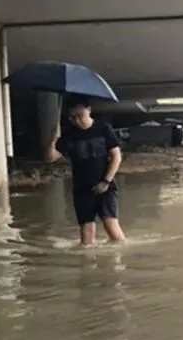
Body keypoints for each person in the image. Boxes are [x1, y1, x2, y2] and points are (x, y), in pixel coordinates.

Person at [45, 97, 126, 245]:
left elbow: (116, 156)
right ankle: (88, 259)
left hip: (105, 185)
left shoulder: (103, 129)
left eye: (80, 115)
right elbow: (51, 158)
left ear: (89, 110)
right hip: (82, 188)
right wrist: (52, 140)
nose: (77, 121)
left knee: (111, 226)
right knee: (86, 234)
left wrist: (106, 181)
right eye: (72, 117)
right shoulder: (69, 134)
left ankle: (120, 257)